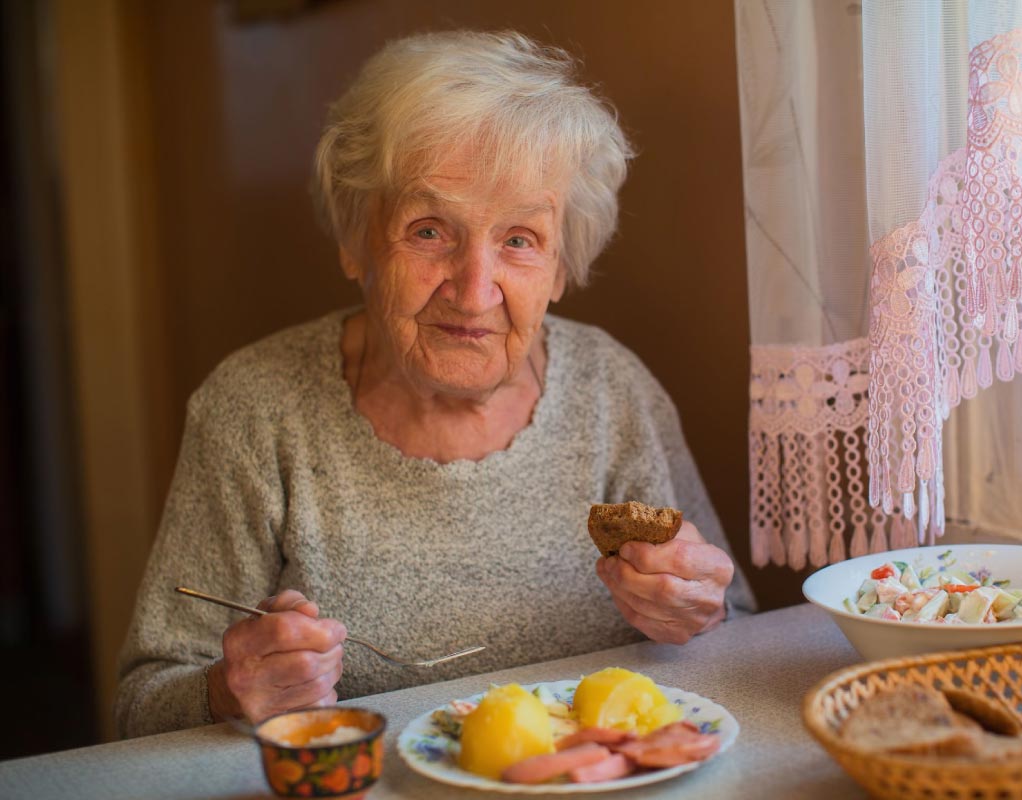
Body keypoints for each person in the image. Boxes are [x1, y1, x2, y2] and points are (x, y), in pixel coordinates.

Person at [115, 29, 755, 739]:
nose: (475, 290)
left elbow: (736, 630)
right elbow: (142, 708)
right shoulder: (255, 410)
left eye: (519, 239)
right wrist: (231, 690)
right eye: (429, 232)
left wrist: (698, 613)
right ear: (356, 241)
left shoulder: (613, 389)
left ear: (562, 267)